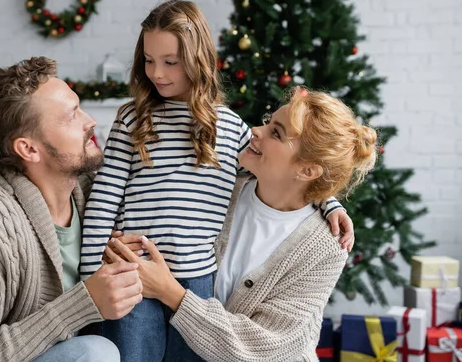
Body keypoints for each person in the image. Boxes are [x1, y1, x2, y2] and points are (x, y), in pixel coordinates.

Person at [79, 0, 353, 362]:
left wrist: (328, 202)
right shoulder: (133, 119)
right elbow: (105, 194)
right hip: (135, 268)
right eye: (148, 60)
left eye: (170, 62)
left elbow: (297, 177)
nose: (157, 73)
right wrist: (90, 276)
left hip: (197, 282)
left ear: (197, 61)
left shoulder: (230, 129)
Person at [106, 86, 377, 361]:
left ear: (307, 170)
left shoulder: (326, 247)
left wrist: (171, 293)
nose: (255, 131)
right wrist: (117, 241)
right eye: (268, 122)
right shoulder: (219, 186)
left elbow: (263, 347)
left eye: (276, 133)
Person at [0, 57, 143, 362]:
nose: (90, 121)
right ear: (29, 149)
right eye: (71, 116)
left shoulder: (96, 193)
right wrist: (81, 303)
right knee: (95, 353)